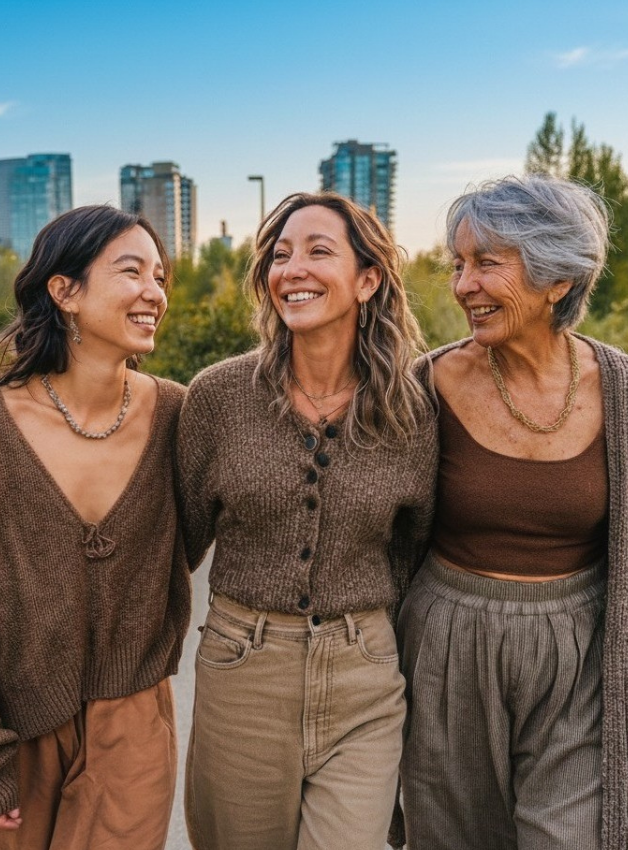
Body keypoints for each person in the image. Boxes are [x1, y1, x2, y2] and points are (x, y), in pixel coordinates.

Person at [399, 175, 628, 850]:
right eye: (457, 264)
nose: (463, 285)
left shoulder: (627, 392)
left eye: (486, 263)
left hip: (580, 654)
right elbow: (387, 540)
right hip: (450, 648)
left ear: (557, 279)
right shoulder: (429, 385)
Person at [0, 205, 190, 850]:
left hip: (134, 715)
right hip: (16, 723)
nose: (155, 292)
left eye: (159, 275)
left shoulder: (176, 415)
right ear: (65, 291)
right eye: (131, 272)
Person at [176, 192, 436, 850]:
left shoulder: (412, 411)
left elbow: (416, 551)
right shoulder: (219, 398)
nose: (293, 268)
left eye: (320, 252)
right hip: (245, 672)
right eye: (281, 255)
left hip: (364, 675)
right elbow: (174, 542)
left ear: (368, 279)